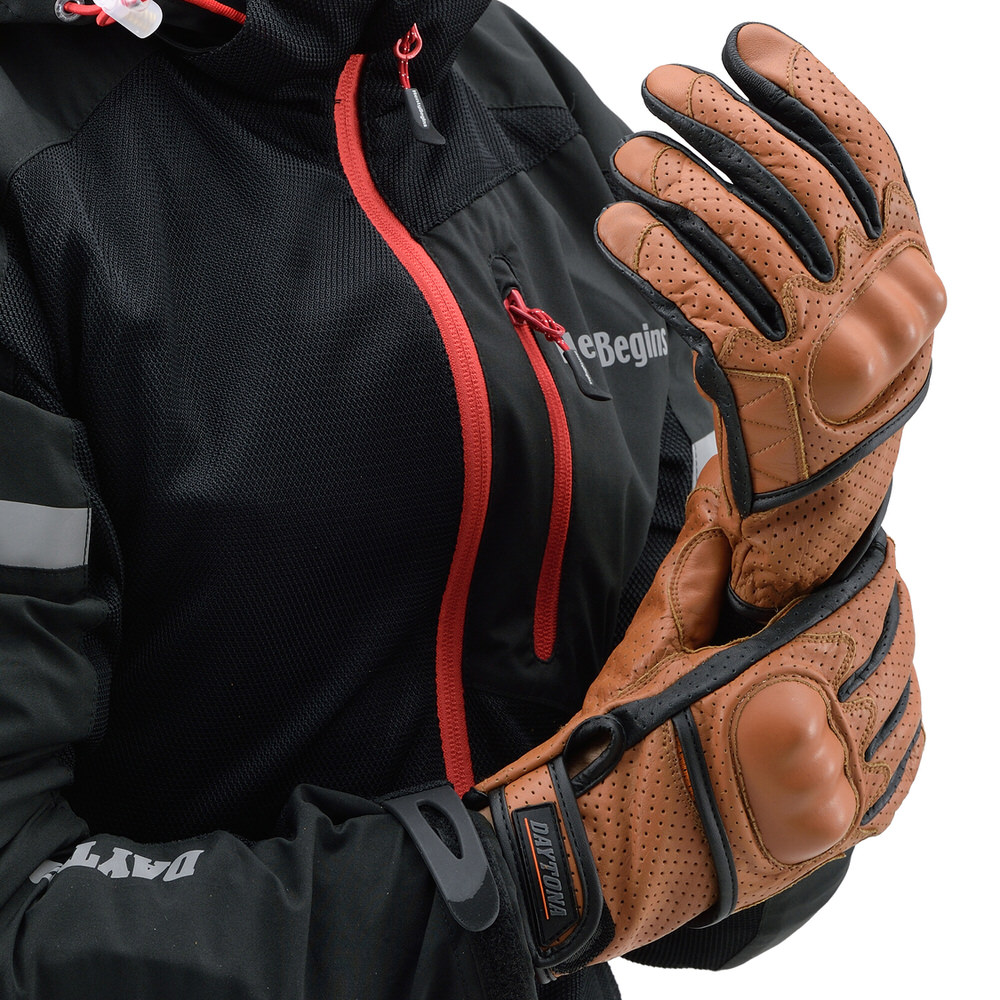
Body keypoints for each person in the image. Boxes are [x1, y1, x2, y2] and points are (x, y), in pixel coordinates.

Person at [0, 1, 942, 998]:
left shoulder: (524, 105)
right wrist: (536, 881)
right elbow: (18, 910)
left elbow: (672, 835)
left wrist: (778, 603)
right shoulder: (36, 159)